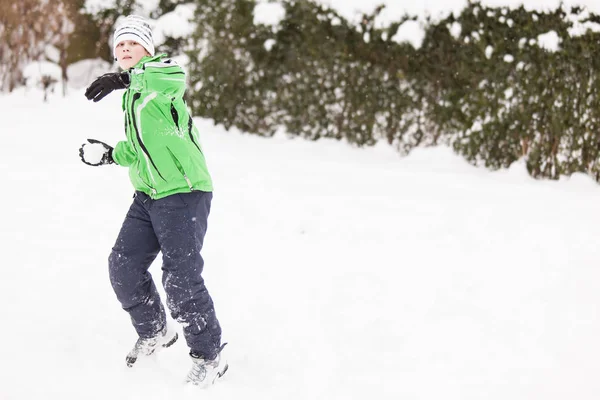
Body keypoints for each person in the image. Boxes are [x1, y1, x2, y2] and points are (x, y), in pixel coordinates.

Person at [79, 15, 227, 387]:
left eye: (132, 43)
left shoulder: (161, 76)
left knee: (181, 280)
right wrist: (112, 154)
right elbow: (143, 146)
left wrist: (127, 78)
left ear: (147, 48)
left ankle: (209, 356)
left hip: (184, 191)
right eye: (120, 45)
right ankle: (155, 331)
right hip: (147, 196)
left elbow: (172, 77)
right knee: (123, 266)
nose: (125, 49)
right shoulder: (132, 95)